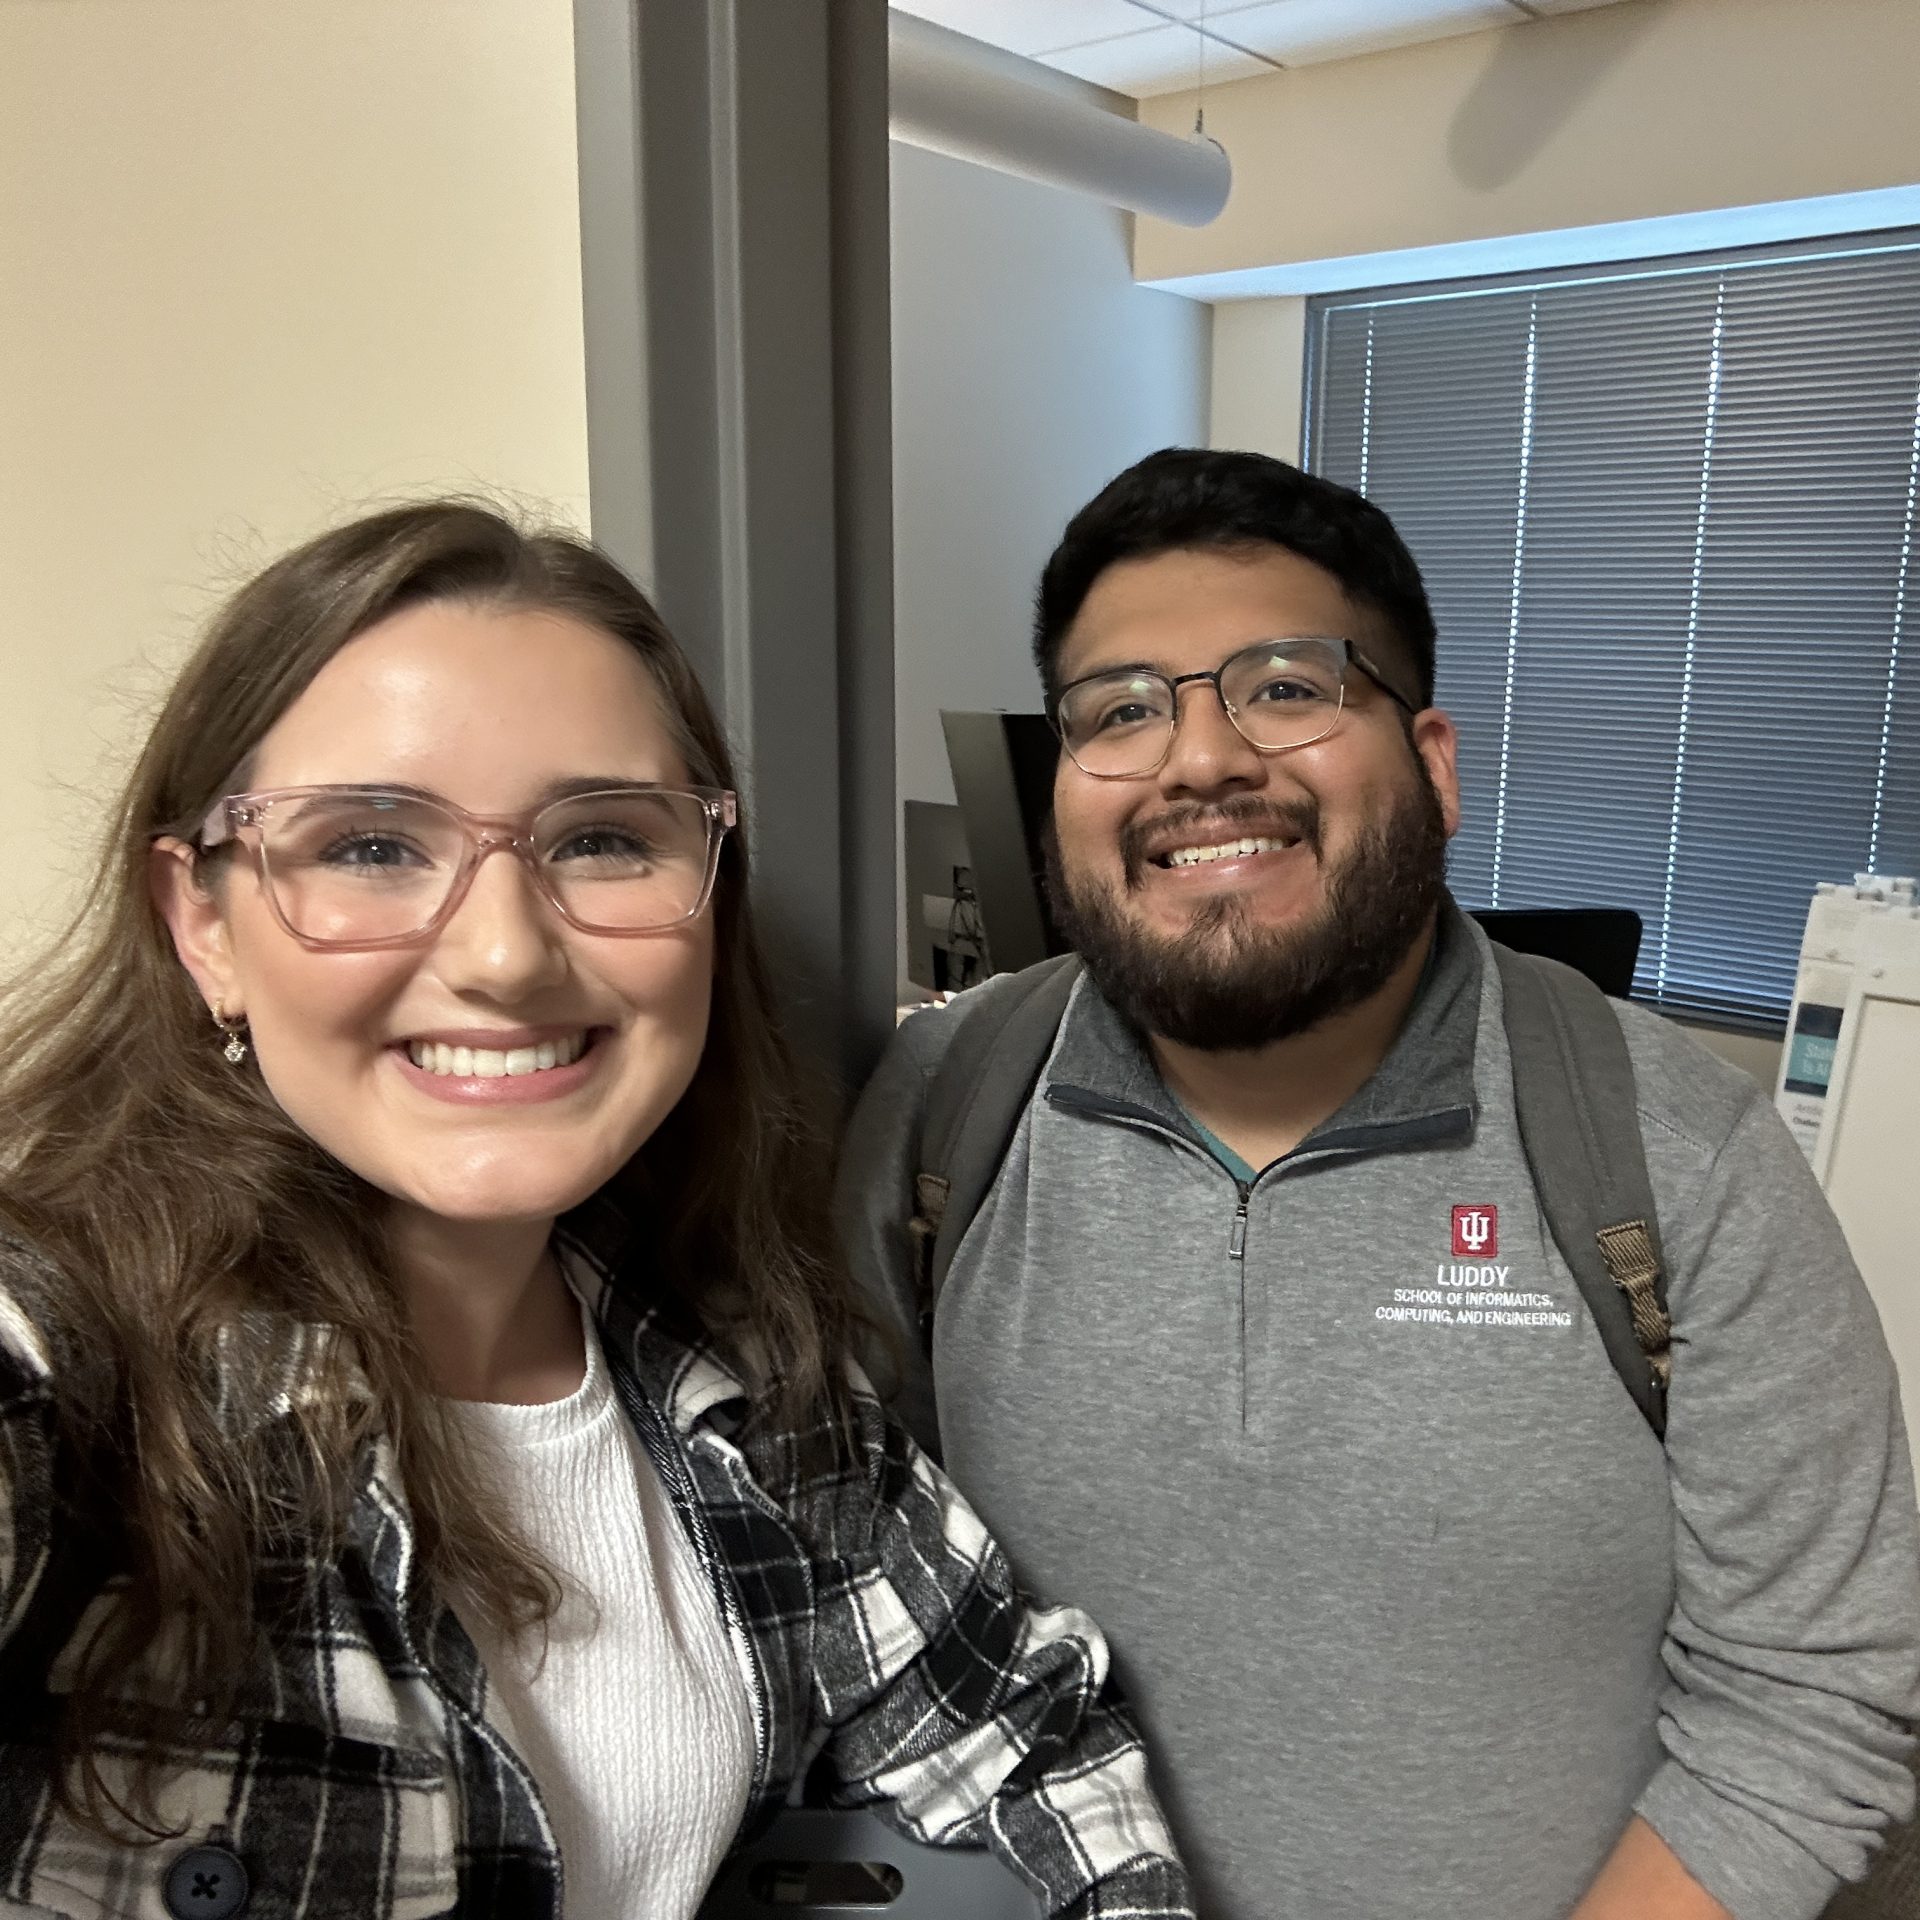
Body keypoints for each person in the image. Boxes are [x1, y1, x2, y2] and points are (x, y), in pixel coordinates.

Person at [0, 502, 1195, 1920]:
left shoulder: (753, 1402)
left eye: (603, 840)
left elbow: (1039, 1744)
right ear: (204, 924)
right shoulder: (72, 1373)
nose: (505, 954)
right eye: (372, 846)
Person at [839, 448, 1920, 1920]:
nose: (1200, 758)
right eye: (1121, 710)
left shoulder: (1673, 1152)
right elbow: (845, 1589)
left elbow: (1814, 1694)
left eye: (1286, 687)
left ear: (1432, 762)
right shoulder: (941, 1113)